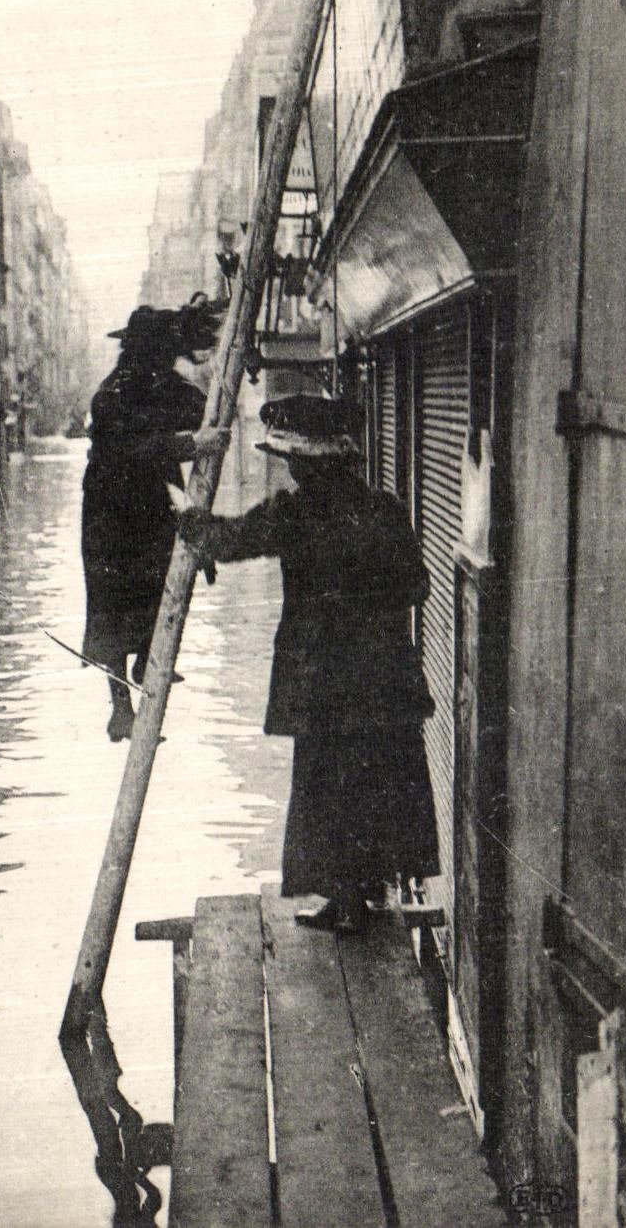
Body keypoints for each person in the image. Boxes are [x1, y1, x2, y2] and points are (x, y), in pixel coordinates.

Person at [175, 393, 439, 931]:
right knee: (377, 777)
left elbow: (231, 540)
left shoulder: (294, 514)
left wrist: (191, 524)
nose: (291, 470)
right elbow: (418, 586)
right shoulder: (385, 510)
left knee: (327, 784)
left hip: (324, 677)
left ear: (307, 464)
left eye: (293, 461)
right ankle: (361, 898)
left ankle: (345, 903)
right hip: (383, 675)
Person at [81, 297, 229, 741]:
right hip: (110, 517)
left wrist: (211, 391)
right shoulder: (112, 396)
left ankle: (148, 664)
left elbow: (201, 409)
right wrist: (191, 444)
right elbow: (134, 451)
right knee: (111, 607)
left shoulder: (158, 385)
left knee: (152, 589)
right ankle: (121, 708)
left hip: (150, 508)